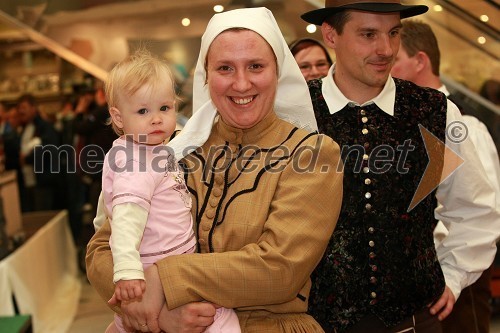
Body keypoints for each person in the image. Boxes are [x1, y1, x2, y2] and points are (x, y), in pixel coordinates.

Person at [86, 7, 343, 333]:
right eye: (224, 68)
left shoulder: (312, 154)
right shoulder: (172, 151)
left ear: (277, 71)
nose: (241, 82)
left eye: (255, 66)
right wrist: (159, 315)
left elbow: (279, 270)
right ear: (206, 76)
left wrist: (165, 279)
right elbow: (100, 250)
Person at [301, 1, 500, 332]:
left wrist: (454, 276)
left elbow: (475, 208)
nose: (385, 49)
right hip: (318, 324)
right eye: (368, 34)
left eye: (393, 33)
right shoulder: (297, 112)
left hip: (415, 320)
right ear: (331, 35)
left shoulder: (435, 111)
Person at [97, 49, 241, 333]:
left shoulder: (150, 150)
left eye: (165, 108)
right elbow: (125, 218)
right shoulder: (136, 162)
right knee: (223, 321)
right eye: (142, 111)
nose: (156, 119)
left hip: (167, 258)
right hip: (158, 263)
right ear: (118, 117)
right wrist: (127, 272)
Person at [391, 19, 500, 333]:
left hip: (456, 282)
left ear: (420, 61)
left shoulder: (463, 124)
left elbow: (483, 212)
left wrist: (449, 273)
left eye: (394, 59)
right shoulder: (402, 119)